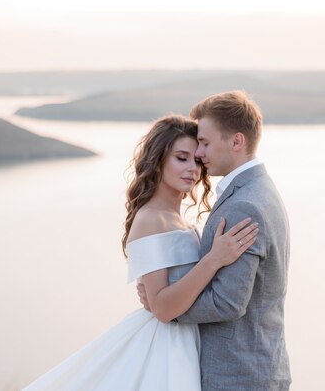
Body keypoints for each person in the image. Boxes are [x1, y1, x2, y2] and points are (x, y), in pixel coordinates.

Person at [23, 115, 258, 391]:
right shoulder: (150, 219)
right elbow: (162, 308)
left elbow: (171, 294)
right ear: (158, 160)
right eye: (181, 158)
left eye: (196, 161)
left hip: (187, 340)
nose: (193, 170)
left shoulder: (176, 217)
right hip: (166, 347)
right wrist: (213, 260)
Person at [138, 91, 292, 390]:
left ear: (236, 141)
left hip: (238, 374)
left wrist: (162, 308)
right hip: (258, 366)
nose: (200, 155)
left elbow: (226, 303)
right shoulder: (262, 188)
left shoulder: (243, 205)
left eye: (205, 143)